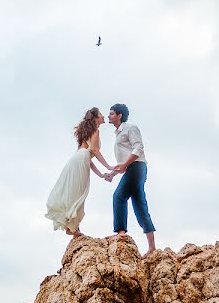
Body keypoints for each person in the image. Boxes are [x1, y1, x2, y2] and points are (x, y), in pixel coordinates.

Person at [45, 108, 113, 236]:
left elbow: (89, 158)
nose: (103, 115)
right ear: (96, 117)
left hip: (77, 159)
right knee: (79, 193)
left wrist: (101, 175)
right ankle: (72, 228)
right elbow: (95, 151)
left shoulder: (88, 132)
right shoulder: (96, 131)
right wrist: (108, 166)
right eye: (101, 114)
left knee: (75, 193)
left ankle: (72, 227)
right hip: (80, 160)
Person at [104, 103, 156, 255]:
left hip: (137, 167)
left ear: (120, 115)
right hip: (133, 168)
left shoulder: (130, 128)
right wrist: (112, 174)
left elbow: (138, 148)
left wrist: (125, 165)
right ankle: (152, 247)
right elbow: (123, 163)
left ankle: (120, 233)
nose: (109, 116)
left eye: (112, 113)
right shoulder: (118, 133)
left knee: (119, 196)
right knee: (140, 205)